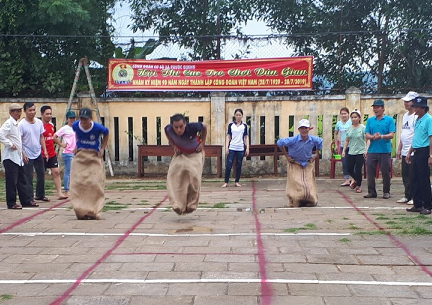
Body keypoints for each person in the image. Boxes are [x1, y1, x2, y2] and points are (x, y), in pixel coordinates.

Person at [70, 107, 109, 220]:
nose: (83, 122)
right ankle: (80, 209)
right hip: (81, 155)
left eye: (86, 119)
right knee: (78, 182)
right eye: (81, 119)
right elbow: (76, 134)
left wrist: (102, 148)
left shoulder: (97, 128)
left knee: (94, 183)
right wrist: (76, 145)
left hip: (93, 155)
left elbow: (107, 134)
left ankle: (94, 210)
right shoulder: (76, 125)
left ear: (91, 119)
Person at [164, 114, 207, 215]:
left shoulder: (193, 127)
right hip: (181, 154)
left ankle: (191, 204)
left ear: (185, 124)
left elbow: (204, 126)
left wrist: (203, 143)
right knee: (172, 175)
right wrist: (173, 145)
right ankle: (177, 205)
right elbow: (166, 131)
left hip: (195, 154)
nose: (179, 130)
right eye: (176, 127)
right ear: (172, 126)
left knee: (194, 176)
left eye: (181, 126)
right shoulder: (169, 129)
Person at [277, 119, 323, 207]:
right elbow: (279, 143)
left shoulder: (313, 139)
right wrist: (287, 156)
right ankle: (296, 200)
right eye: (302, 128)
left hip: (307, 163)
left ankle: (310, 200)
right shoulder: (293, 140)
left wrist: (316, 154)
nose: (304, 130)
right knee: (296, 184)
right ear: (299, 129)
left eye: (305, 128)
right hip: (295, 163)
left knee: (308, 184)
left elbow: (320, 141)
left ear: (309, 129)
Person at [0, 103, 35, 209]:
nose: (19, 113)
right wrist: (10, 144)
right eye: (16, 111)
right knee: (12, 181)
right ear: (11, 113)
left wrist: (22, 153)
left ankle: (26, 201)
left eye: (20, 111)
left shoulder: (16, 124)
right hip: (10, 157)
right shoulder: (8, 123)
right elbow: (1, 135)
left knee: (22, 180)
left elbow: (19, 141)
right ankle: (11, 202)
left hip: (17, 157)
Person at [364, 100, 396, 199]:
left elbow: (391, 135)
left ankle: (386, 191)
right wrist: (373, 137)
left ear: (383, 108)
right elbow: (367, 134)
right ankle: (371, 191)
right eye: (374, 107)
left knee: (386, 172)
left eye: (377, 107)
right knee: (370, 172)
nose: (375, 109)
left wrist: (381, 136)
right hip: (372, 150)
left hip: (385, 150)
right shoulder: (370, 120)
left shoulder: (389, 120)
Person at [406, 97, 432, 215]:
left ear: (423, 108)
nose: (414, 109)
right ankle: (417, 204)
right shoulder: (418, 120)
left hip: (424, 151)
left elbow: (431, 138)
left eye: (417, 107)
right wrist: (409, 152)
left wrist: (430, 155)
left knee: (423, 179)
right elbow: (416, 137)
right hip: (416, 151)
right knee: (414, 178)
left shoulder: (428, 120)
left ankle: (427, 205)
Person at [19, 102, 47, 204]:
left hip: (38, 152)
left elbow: (41, 136)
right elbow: (19, 141)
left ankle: (40, 194)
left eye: (34, 110)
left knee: (41, 174)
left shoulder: (39, 122)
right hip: (27, 153)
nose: (32, 112)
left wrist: (45, 150)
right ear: (25, 111)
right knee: (28, 177)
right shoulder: (21, 125)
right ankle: (29, 199)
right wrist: (23, 153)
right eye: (30, 110)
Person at [40, 105, 68, 200]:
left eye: (50, 114)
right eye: (47, 114)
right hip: (42, 154)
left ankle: (59, 193)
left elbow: (53, 138)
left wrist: (61, 144)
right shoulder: (39, 126)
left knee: (56, 172)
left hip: (52, 153)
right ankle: (40, 194)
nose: (49, 116)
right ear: (42, 114)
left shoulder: (51, 125)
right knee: (41, 175)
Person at [396, 91, 418, 205]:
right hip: (405, 150)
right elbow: (403, 133)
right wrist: (400, 148)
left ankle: (415, 196)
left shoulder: (417, 117)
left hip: (413, 151)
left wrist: (411, 149)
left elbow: (416, 135)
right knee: (405, 174)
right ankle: (407, 195)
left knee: (414, 175)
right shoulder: (405, 116)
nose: (406, 103)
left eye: (408, 101)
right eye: (405, 102)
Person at [222, 109, 249, 188]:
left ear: (242, 116)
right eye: (236, 115)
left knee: (239, 165)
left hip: (240, 148)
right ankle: (226, 182)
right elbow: (228, 136)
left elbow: (246, 137)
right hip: (232, 147)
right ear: (234, 116)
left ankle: (237, 181)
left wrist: (247, 148)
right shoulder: (231, 125)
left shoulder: (244, 125)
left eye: (239, 115)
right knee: (229, 165)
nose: (238, 116)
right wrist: (226, 147)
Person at [342, 109, 366, 193]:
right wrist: (344, 151)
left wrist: (366, 150)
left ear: (359, 118)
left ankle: (358, 185)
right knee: (349, 168)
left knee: (358, 169)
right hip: (351, 151)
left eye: (355, 117)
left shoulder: (363, 128)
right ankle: (356, 179)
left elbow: (367, 140)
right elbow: (347, 140)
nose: (353, 119)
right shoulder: (349, 128)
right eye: (352, 117)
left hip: (360, 151)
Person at [54, 110, 77, 197]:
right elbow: (55, 136)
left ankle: (72, 188)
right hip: (68, 153)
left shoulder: (77, 127)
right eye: (70, 118)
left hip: (76, 152)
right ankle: (67, 190)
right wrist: (61, 144)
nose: (72, 120)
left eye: (73, 118)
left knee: (74, 172)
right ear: (67, 119)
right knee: (68, 171)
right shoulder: (65, 128)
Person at [334, 107, 352, 186]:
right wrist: (336, 144)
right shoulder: (338, 123)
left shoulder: (351, 122)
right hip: (342, 146)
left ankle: (353, 179)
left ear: (348, 114)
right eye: (342, 114)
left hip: (352, 146)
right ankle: (346, 179)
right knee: (344, 163)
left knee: (352, 163)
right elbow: (336, 133)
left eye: (345, 113)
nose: (343, 115)